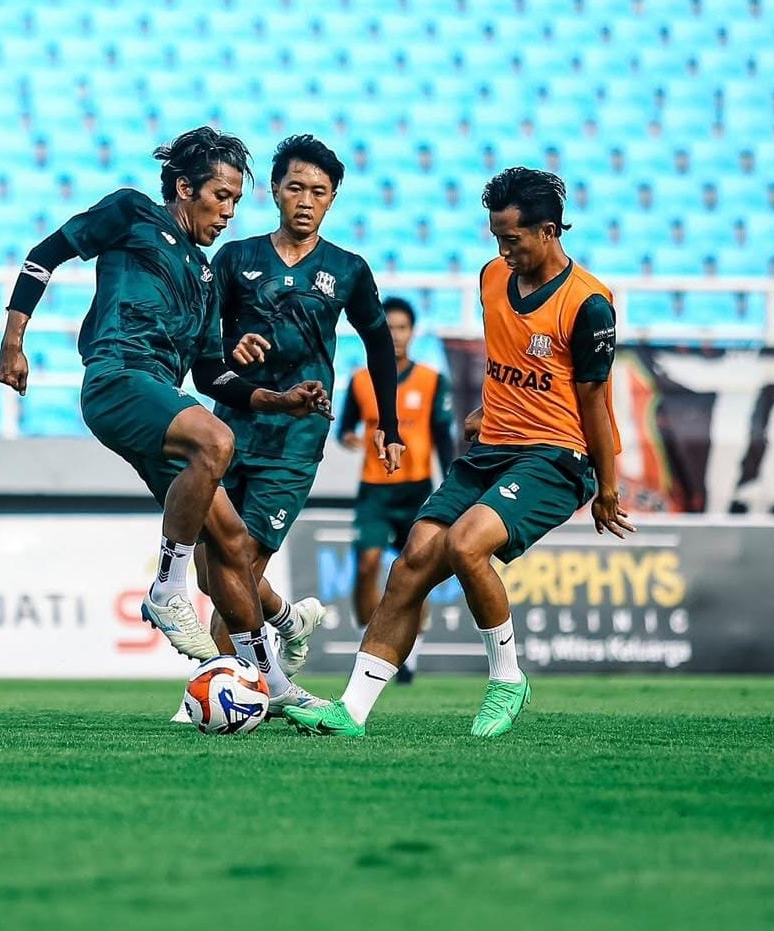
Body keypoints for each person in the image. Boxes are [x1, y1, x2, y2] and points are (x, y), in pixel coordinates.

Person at [286, 166, 633, 739]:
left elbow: (594, 400)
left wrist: (607, 485)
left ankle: (507, 677)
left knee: (467, 544)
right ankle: (351, 709)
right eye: (496, 237)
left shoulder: (589, 303)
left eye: (512, 238)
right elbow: (511, 360)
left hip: (556, 454)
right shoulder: (492, 277)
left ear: (549, 231)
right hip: (490, 445)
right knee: (414, 561)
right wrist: (485, 410)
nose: (503, 249)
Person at [0, 127, 330, 715]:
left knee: (229, 544)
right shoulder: (130, 213)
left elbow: (212, 377)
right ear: (184, 187)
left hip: (163, 403)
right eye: (220, 197)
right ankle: (166, 585)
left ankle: (273, 681)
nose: (228, 212)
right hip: (118, 378)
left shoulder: (203, 278)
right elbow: (44, 255)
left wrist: (281, 400)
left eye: (234, 202)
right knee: (217, 438)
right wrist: (12, 342)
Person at [198, 134, 405, 664]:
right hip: (231, 428)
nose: (306, 200)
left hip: (296, 437)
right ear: (274, 190)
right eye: (296, 187)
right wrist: (230, 349)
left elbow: (379, 341)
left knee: (242, 561)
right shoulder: (234, 258)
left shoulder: (348, 269)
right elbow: (202, 346)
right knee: (208, 567)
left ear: (333, 197)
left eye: (319, 190)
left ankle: (219, 681)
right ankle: (289, 619)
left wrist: (390, 423)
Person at [339, 295, 454, 683]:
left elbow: (443, 438)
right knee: (368, 565)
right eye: (389, 329)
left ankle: (410, 655)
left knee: (415, 575)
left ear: (413, 332)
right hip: (374, 489)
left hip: (417, 489)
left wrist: (453, 487)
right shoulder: (359, 381)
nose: (397, 335)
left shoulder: (432, 381)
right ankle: (370, 643)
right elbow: (345, 429)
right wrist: (352, 439)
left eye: (402, 328)